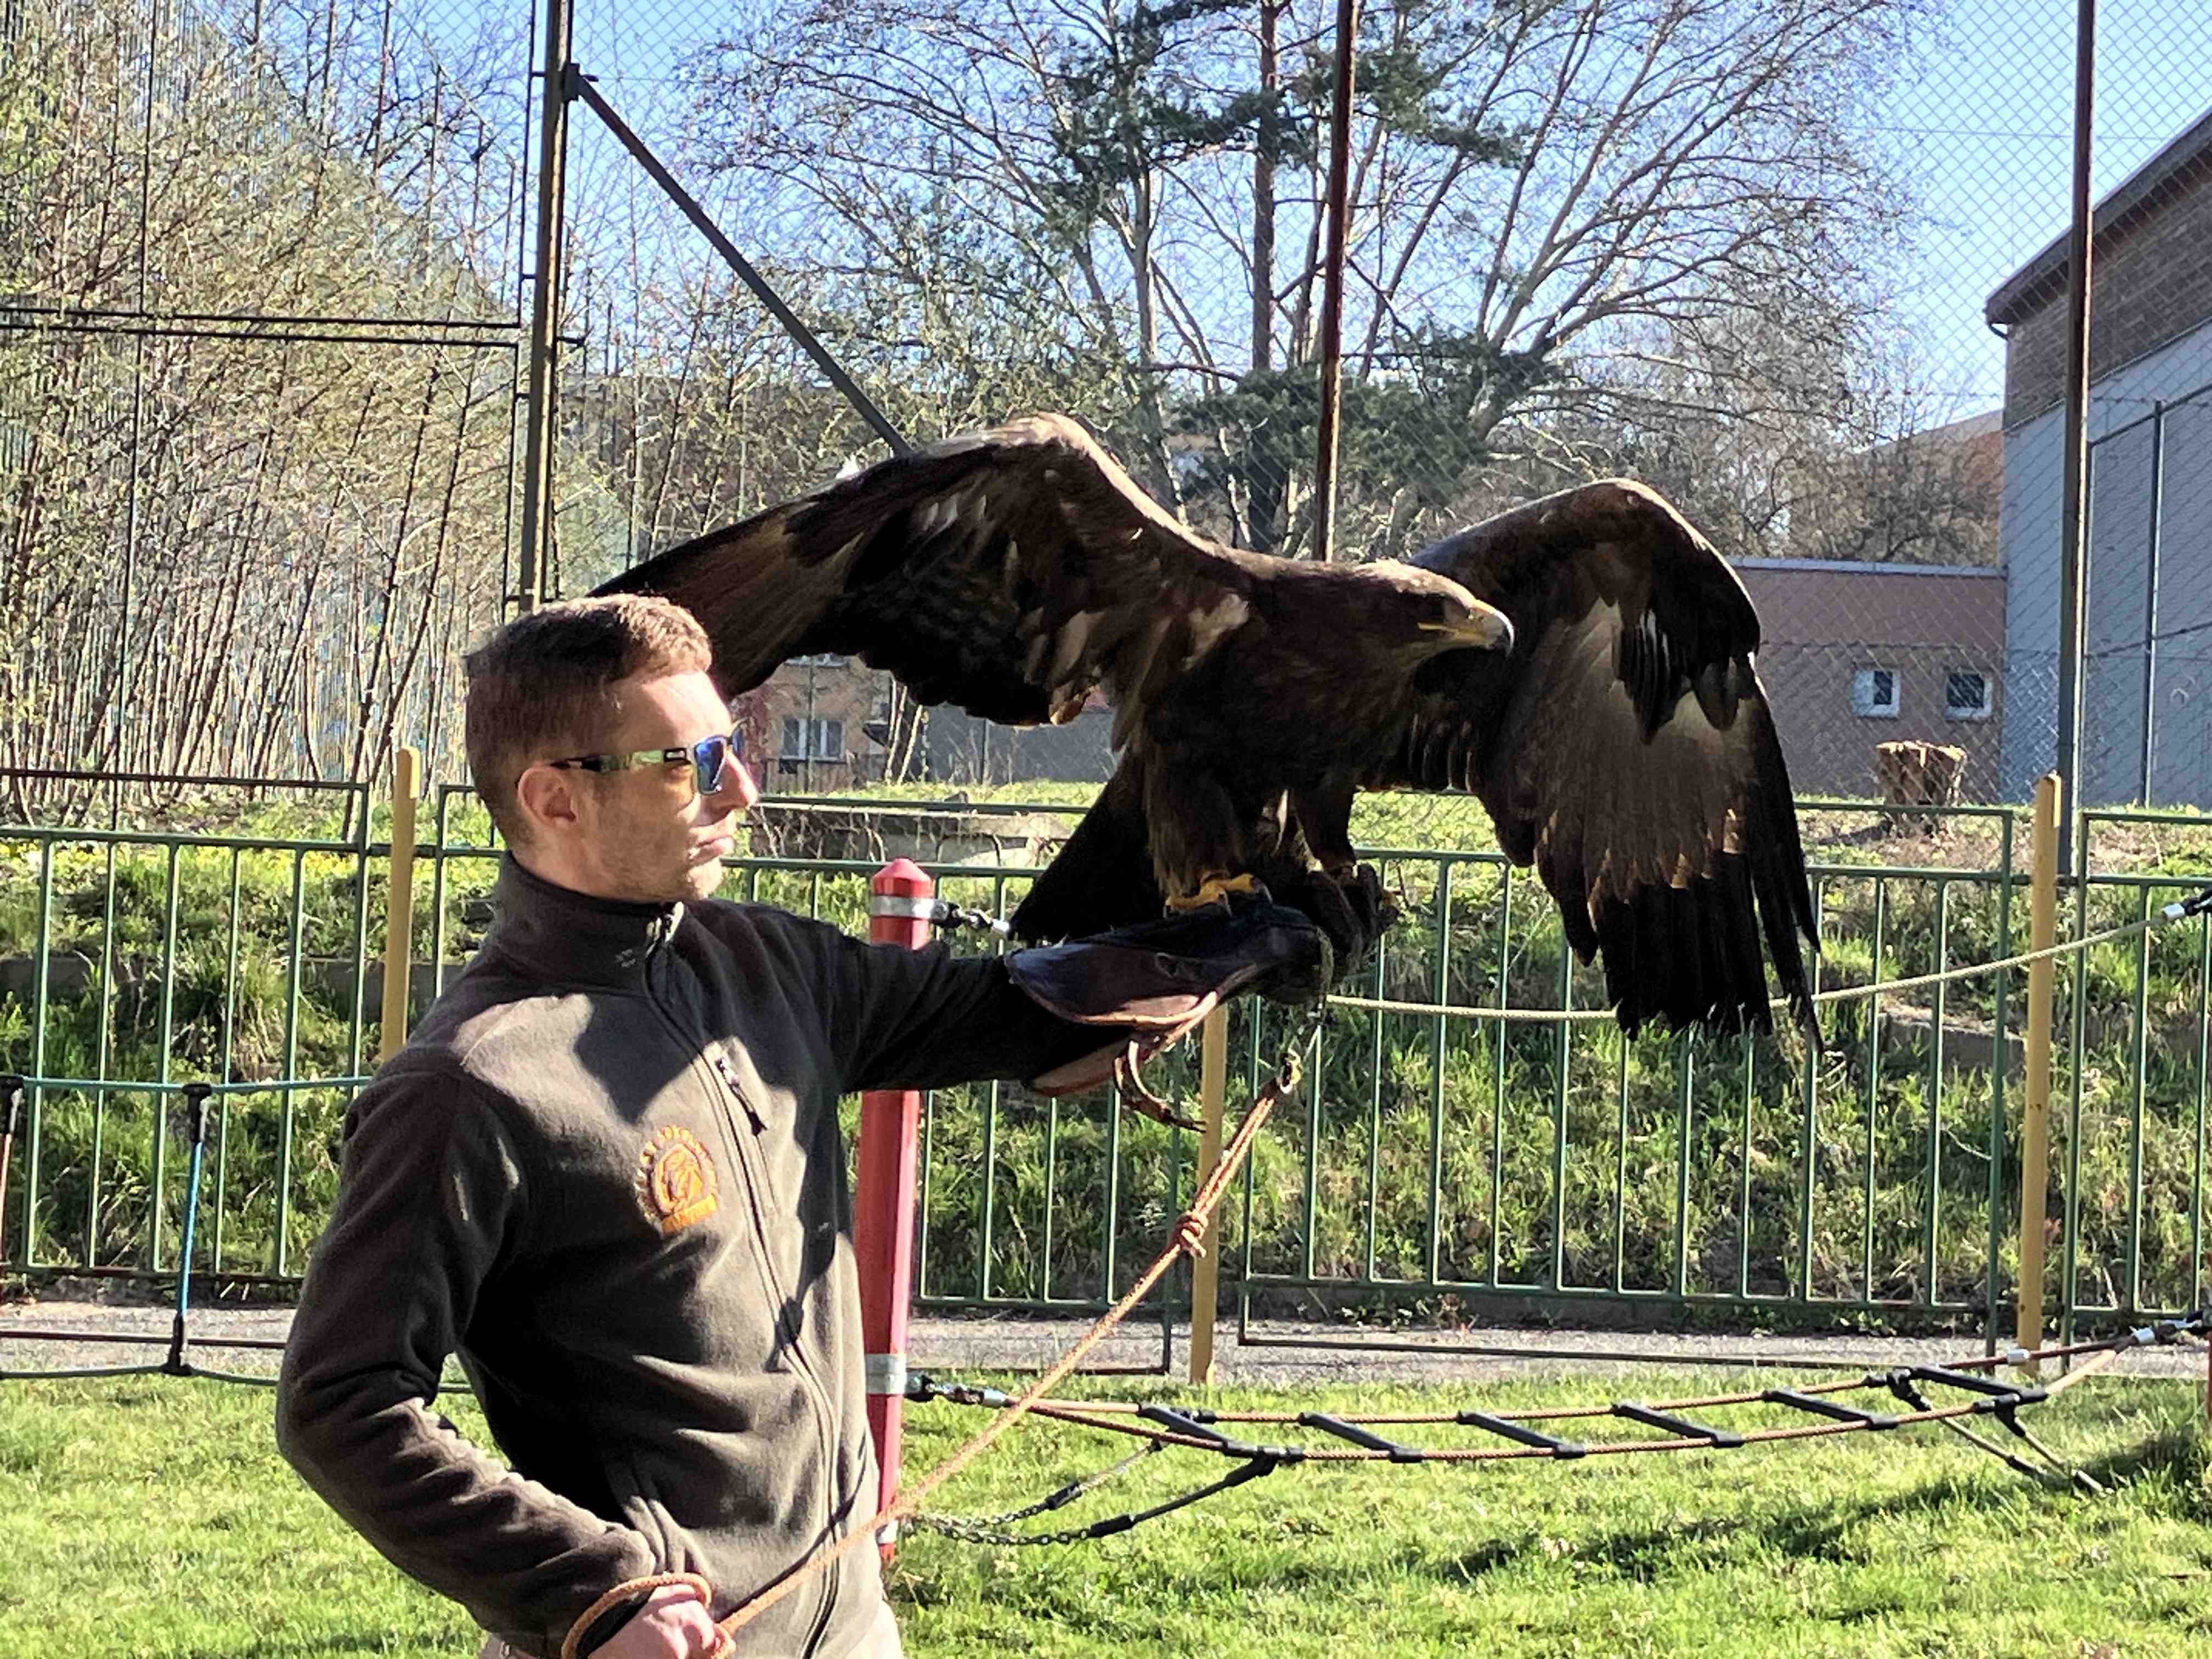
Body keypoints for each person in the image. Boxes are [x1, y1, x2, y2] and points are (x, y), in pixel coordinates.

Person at [275, 595, 1372, 1659]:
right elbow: (342, 1404)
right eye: (694, 763)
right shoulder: (473, 1082)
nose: (741, 788)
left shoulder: (765, 967)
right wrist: (593, 1595)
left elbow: (1010, 1010)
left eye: (733, 747)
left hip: (849, 1629)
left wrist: (1234, 945)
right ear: (556, 799)